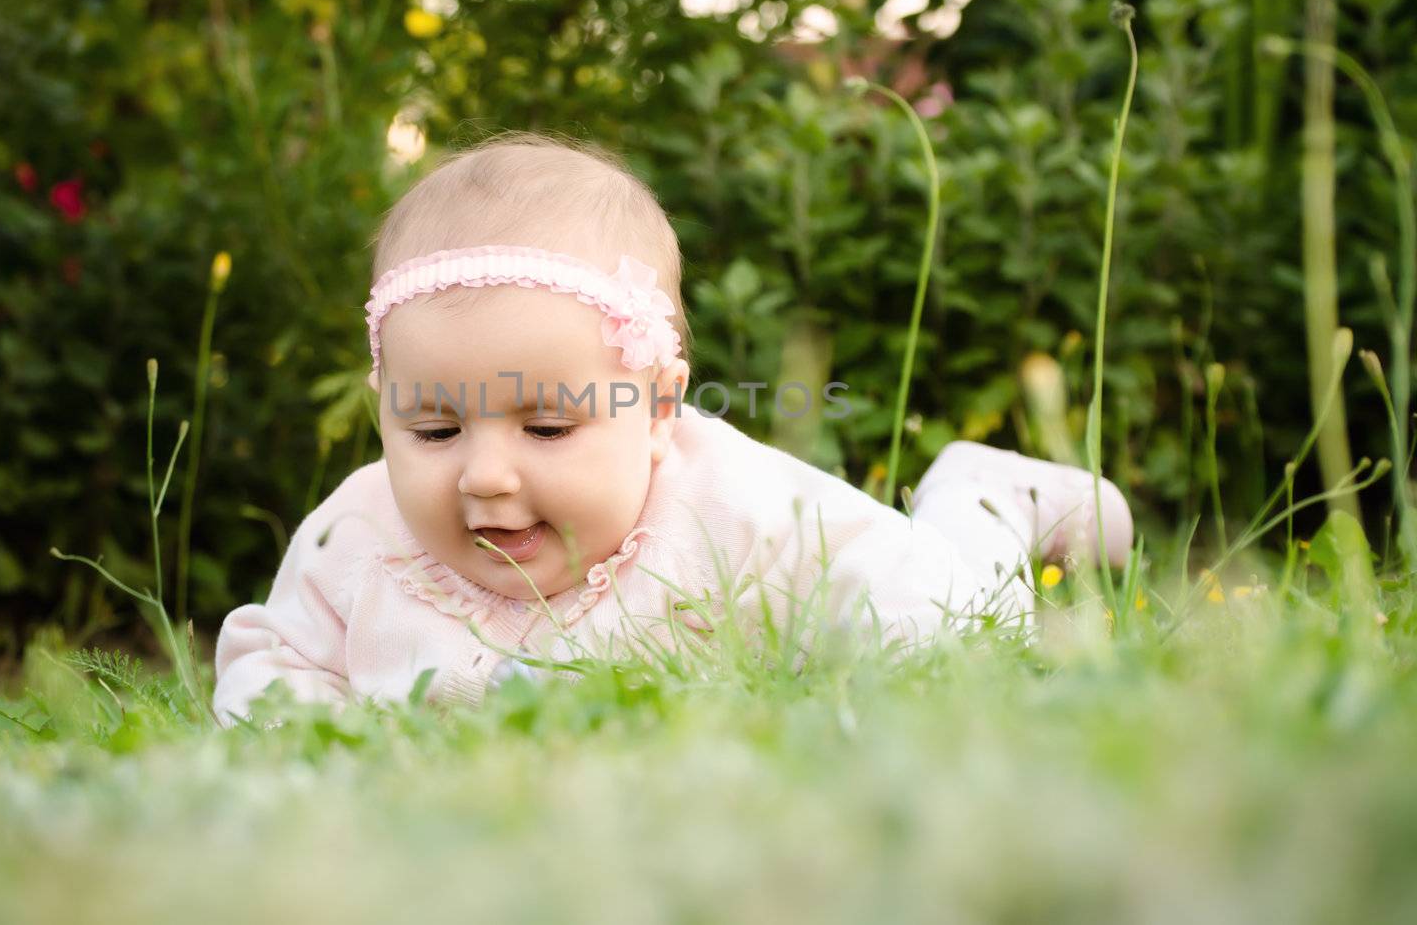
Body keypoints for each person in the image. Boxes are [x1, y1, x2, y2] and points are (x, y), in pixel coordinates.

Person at [211, 133, 1133, 725]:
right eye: (435, 431)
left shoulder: (737, 506)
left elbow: (916, 618)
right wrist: (312, 738)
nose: (483, 476)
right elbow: (273, 656)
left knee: (973, 609)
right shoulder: (358, 535)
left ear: (655, 411)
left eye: (544, 426)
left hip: (918, 570)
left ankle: (985, 496)